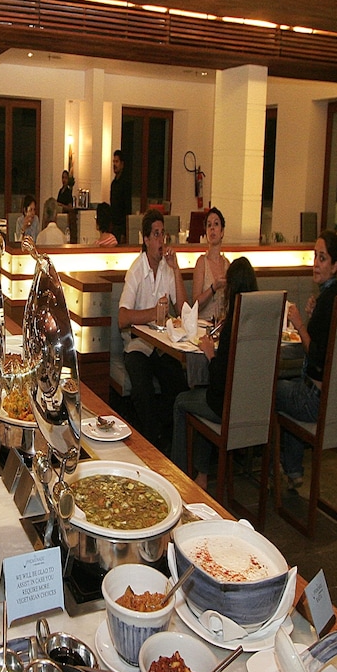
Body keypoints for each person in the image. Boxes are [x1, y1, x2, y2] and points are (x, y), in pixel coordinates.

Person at [171, 257, 258, 487]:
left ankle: (178, 474)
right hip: (256, 406)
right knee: (204, 396)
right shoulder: (258, 322)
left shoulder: (233, 325)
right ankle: (202, 474)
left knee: (182, 401)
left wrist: (210, 354)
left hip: (227, 407)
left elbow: (220, 379)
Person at [275, 230, 337, 490]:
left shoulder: (328, 302)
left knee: (270, 389)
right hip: (334, 398)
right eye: (315, 256)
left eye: (322, 258)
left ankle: (275, 470)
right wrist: (312, 318)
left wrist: (299, 323)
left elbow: (316, 355)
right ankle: (293, 470)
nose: (315, 263)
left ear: (335, 265)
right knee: (290, 386)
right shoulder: (335, 298)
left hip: (314, 399)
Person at [118, 209, 188, 450]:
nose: (161, 240)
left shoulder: (168, 268)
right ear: (146, 239)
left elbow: (184, 309)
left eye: (163, 234)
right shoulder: (136, 270)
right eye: (156, 235)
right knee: (143, 389)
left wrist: (176, 269)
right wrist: (154, 313)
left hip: (162, 345)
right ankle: (150, 444)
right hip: (138, 345)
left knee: (178, 383)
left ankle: (168, 442)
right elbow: (122, 318)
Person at [191, 206, 230, 320]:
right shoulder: (202, 262)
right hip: (204, 324)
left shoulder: (227, 264)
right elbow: (196, 305)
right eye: (209, 225)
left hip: (222, 323)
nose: (212, 228)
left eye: (216, 224)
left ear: (222, 232)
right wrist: (213, 288)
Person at [109, 148, 129, 242]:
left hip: (121, 226)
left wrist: (124, 232)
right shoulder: (114, 183)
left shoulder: (125, 183)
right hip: (114, 225)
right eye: (113, 162)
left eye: (117, 162)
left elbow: (127, 208)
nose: (114, 164)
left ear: (122, 164)